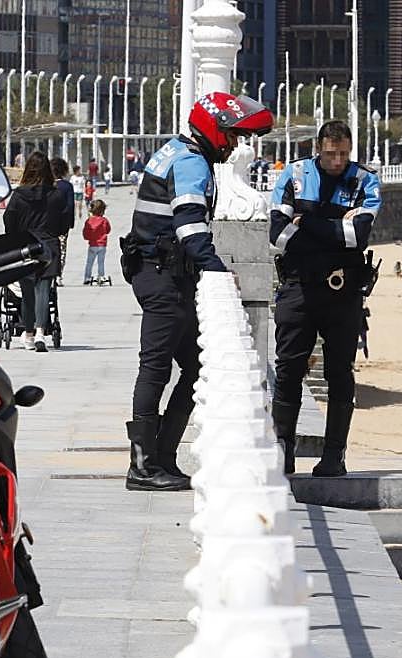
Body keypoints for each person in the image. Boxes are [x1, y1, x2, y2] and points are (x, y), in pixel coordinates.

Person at [122, 90, 272, 491]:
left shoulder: (174, 150)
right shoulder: (191, 162)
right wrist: (218, 269)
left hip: (160, 272)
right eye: (233, 136)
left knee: (195, 366)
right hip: (163, 276)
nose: (236, 144)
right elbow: (189, 226)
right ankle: (143, 466)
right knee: (156, 366)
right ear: (214, 130)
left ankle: (161, 457)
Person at [269, 118, 382, 477]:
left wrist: (306, 223)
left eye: (344, 154)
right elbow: (277, 235)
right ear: (319, 149)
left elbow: (357, 236)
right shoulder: (295, 175)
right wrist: (335, 229)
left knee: (340, 375)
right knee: (288, 371)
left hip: (342, 290)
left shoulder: (365, 180)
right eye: (331, 154)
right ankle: (283, 451)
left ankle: (334, 456)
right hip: (298, 287)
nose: (338, 161)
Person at [2, 151, 67, 353]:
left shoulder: (19, 195)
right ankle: (40, 332)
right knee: (44, 290)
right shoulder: (56, 194)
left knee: (27, 291)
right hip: (48, 244)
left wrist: (14, 236)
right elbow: (63, 222)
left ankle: (28, 334)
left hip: (25, 245)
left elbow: (8, 219)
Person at [51, 157, 75, 285]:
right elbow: (70, 205)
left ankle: (50, 273)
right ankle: (58, 275)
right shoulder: (67, 186)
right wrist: (70, 222)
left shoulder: (48, 185)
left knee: (49, 248)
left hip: (47, 223)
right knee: (62, 248)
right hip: (62, 223)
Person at [81, 199, 111, 285]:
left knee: (89, 262)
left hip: (92, 244)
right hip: (102, 244)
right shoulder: (104, 220)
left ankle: (87, 277)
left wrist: (88, 237)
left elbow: (85, 233)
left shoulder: (89, 221)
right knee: (101, 262)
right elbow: (108, 230)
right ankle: (101, 276)